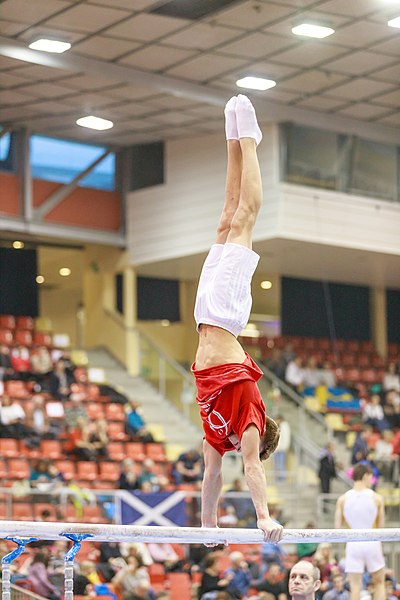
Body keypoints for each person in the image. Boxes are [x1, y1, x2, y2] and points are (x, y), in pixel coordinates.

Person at [191, 94, 282, 543]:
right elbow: (248, 467)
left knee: (226, 219)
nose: (247, 447)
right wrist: (262, 517)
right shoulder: (249, 419)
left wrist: (208, 527)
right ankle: (250, 141)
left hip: (204, 316)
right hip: (226, 315)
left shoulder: (216, 434)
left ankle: (231, 137)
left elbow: (213, 477)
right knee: (246, 217)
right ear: (259, 436)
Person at [334, 464, 386, 600]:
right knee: (380, 583)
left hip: (353, 543)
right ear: (366, 476)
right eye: (371, 478)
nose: (371, 481)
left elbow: (337, 528)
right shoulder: (377, 498)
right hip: (372, 540)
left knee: (355, 585)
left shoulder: (342, 499)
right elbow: (381, 527)